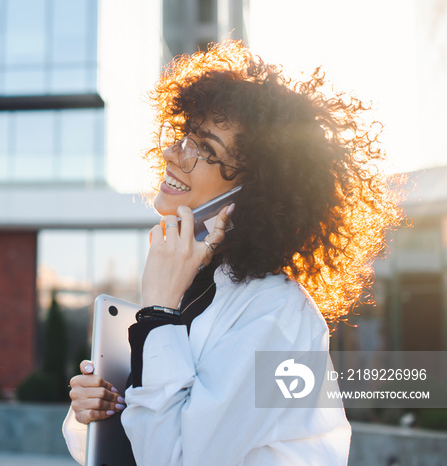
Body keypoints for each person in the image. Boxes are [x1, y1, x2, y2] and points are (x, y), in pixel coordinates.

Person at [62, 41, 403, 465]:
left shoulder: (279, 317)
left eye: (206, 150)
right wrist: (94, 414)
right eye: (185, 137)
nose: (173, 154)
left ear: (256, 193)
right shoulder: (192, 288)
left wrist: (157, 315)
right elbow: (142, 442)